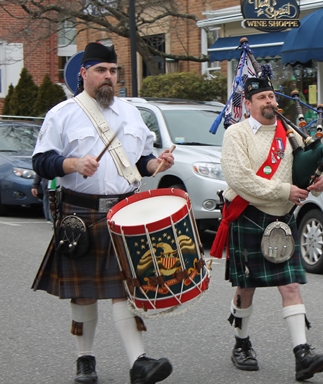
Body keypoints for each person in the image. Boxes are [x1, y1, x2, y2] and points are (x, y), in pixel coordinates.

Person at [31, 42, 175, 384]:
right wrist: (72, 163)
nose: (108, 76)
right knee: (84, 292)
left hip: (125, 212)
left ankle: (138, 361)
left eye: (113, 71)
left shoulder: (130, 113)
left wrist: (158, 164)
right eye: (100, 70)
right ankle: (85, 359)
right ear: (84, 74)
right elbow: (41, 161)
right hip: (80, 213)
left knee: (125, 289)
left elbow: (141, 160)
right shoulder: (62, 114)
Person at [210, 77, 323, 381]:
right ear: (248, 104)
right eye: (261, 98)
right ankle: (241, 343)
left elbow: (318, 166)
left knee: (290, 285)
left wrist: (321, 182)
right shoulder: (236, 134)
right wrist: (283, 190)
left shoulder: (290, 132)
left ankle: (302, 353)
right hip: (250, 215)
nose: (269, 102)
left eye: (271, 97)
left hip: (283, 219)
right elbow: (240, 179)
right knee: (246, 287)